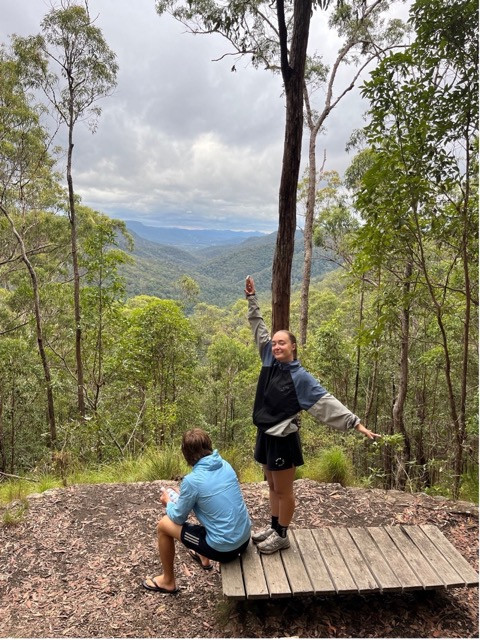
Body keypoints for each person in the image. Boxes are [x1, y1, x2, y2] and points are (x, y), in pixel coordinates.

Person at [244, 275, 380, 555]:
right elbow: (258, 328)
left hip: (283, 438)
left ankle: (282, 535)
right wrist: (251, 299)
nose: (277, 346)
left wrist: (356, 423)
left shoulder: (301, 378)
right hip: (265, 435)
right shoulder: (268, 358)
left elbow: (326, 401)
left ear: (293, 347)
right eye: (275, 343)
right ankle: (273, 526)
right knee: (270, 485)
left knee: (284, 490)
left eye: (283, 343)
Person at [142, 428, 251, 593]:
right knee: (213, 514)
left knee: (164, 526)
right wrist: (182, 498)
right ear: (208, 445)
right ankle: (203, 557)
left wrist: (168, 503)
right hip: (244, 539)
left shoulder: (192, 482)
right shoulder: (226, 465)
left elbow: (177, 518)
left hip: (225, 550)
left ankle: (168, 581)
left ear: (186, 455)